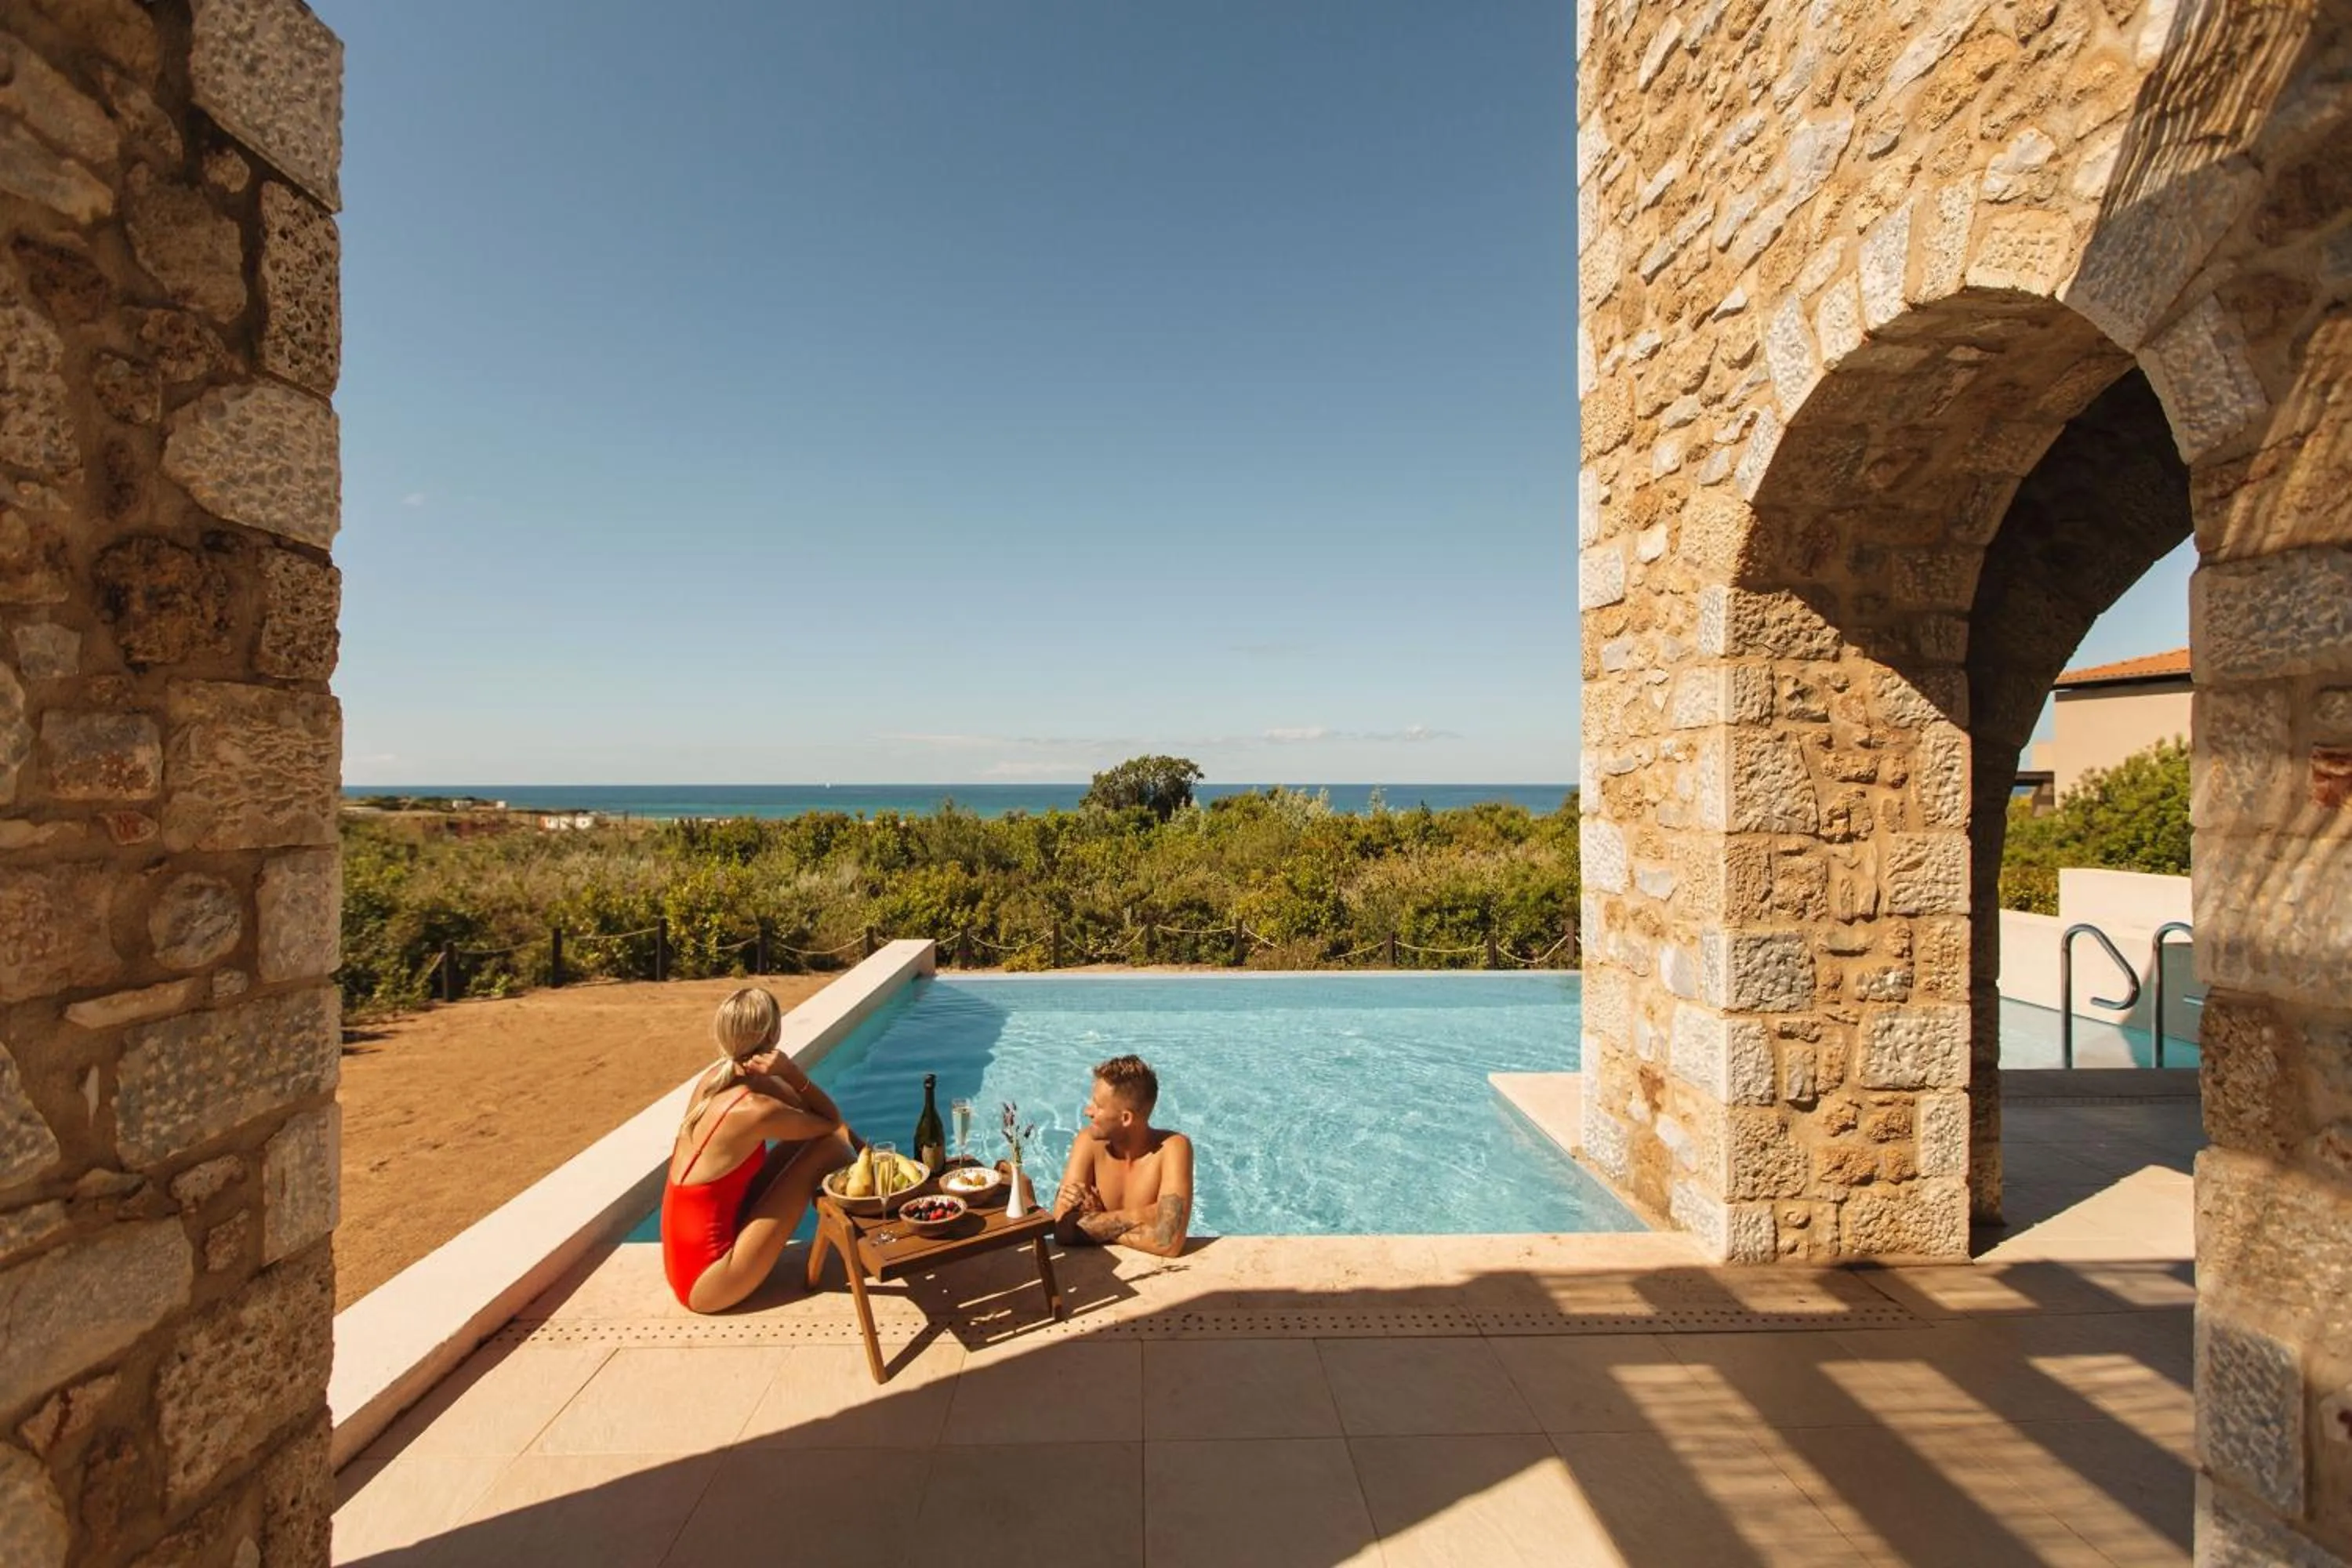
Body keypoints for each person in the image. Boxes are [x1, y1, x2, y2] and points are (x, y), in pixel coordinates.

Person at [662, 986, 858, 1313]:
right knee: (828, 1149)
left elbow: (807, 1114)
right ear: (774, 1033)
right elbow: (829, 1120)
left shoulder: (714, 1080)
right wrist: (792, 1072)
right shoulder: (754, 1110)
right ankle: (882, 1217)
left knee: (815, 1141)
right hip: (710, 1284)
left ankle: (880, 1170)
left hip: (684, 1267)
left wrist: (779, 1079)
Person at [1054, 1054, 1192, 1257]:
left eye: (1098, 1106)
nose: (1087, 1111)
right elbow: (1062, 1229)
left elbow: (1169, 1243)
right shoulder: (1087, 1143)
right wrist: (1151, 1215)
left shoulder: (1173, 1148)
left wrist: (1096, 1218)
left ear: (1126, 1118)